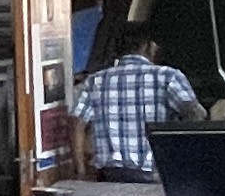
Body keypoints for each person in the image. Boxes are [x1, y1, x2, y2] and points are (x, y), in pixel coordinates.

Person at [71, 21, 201, 179]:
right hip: (156, 176)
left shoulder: (96, 81)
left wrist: (80, 171)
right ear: (148, 46)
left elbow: (77, 124)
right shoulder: (168, 77)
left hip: (109, 177)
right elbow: (196, 115)